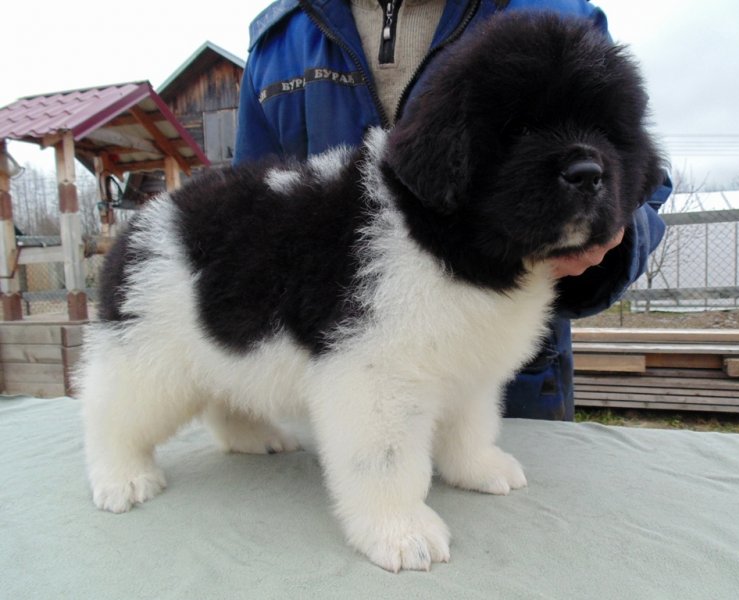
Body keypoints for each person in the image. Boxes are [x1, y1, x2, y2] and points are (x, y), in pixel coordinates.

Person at [233, 0, 672, 421]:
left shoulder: (557, 10)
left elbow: (643, 183)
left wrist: (602, 245)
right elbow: (255, 215)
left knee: (503, 488)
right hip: (331, 372)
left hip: (508, 379)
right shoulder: (281, 40)